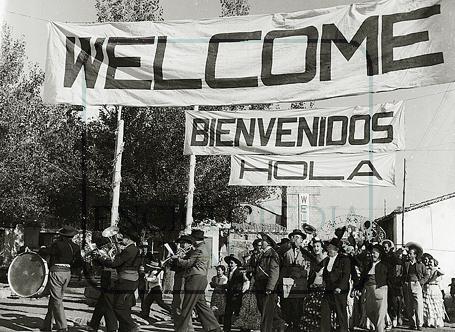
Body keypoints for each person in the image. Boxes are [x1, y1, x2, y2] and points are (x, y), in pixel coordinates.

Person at [89, 226, 142, 332]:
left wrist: (100, 258)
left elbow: (115, 263)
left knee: (117, 306)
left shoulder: (129, 250)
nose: (122, 240)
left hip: (125, 279)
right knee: (118, 304)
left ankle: (130, 325)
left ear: (128, 239)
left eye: (124, 238)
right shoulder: (132, 249)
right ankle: (124, 327)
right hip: (127, 279)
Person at [171, 229, 221, 332]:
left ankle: (181, 329)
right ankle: (214, 327)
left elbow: (188, 263)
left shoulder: (199, 249)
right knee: (202, 305)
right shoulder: (204, 247)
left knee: (187, 306)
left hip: (195, 280)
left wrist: (177, 259)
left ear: (194, 239)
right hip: (201, 279)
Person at [39, 225, 82, 332]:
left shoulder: (58, 244)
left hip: (56, 272)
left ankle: (62, 327)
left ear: (62, 235)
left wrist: (42, 249)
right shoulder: (76, 247)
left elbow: (46, 252)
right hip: (67, 273)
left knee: (56, 300)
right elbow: (78, 262)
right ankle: (46, 325)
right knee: (55, 299)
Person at [279, 229, 312, 330]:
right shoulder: (285, 250)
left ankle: (296, 325)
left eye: (299, 238)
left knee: (298, 307)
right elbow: (281, 264)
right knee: (287, 306)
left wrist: (300, 273)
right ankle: (289, 325)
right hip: (287, 282)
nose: (297, 240)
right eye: (295, 237)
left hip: (300, 283)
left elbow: (309, 268)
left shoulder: (305, 253)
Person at [319, 237, 351, 332]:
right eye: (328, 247)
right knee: (325, 312)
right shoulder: (327, 260)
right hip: (328, 290)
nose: (328, 249)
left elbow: (346, 275)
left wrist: (340, 287)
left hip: (340, 291)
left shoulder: (344, 259)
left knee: (340, 313)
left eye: (330, 248)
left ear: (336, 249)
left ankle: (343, 330)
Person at [357, 244, 388, 332]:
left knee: (380, 314)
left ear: (379, 254)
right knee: (369, 311)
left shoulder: (384, 265)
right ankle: (379, 328)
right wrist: (359, 288)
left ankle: (380, 330)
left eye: (374, 253)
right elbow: (363, 278)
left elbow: (390, 278)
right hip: (369, 290)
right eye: (371, 253)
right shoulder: (368, 265)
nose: (372, 255)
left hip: (380, 289)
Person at [254, 232, 281, 332]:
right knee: (263, 311)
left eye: (262, 241)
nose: (260, 243)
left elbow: (274, 272)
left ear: (268, 243)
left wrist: (270, 288)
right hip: (260, 286)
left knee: (267, 313)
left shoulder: (272, 254)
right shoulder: (264, 253)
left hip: (267, 287)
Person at [169, 234, 195, 332]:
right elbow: (173, 268)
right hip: (178, 278)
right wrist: (172, 260)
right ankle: (178, 326)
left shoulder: (192, 253)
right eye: (181, 243)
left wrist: (179, 259)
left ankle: (187, 328)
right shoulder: (178, 252)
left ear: (189, 244)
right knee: (176, 304)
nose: (182, 245)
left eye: (184, 243)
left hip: (185, 279)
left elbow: (189, 265)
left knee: (181, 304)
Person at [301, 237, 327, 332]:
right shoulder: (313, 259)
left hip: (323, 289)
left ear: (322, 247)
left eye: (318, 246)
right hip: (313, 289)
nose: (316, 248)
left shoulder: (326, 259)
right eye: (314, 246)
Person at [402, 244, 429, 331]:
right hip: (407, 285)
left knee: (418, 305)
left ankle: (419, 324)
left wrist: (421, 282)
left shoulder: (420, 265)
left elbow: (426, 275)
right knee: (409, 305)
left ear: (415, 255)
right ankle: (412, 324)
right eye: (408, 253)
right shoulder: (406, 264)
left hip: (416, 284)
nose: (408, 255)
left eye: (410, 253)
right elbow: (403, 274)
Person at [223, 254, 245, 332]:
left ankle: (243, 328)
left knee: (238, 313)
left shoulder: (239, 272)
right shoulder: (229, 272)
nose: (230, 264)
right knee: (227, 313)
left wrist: (233, 290)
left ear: (236, 263)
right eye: (229, 263)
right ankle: (226, 329)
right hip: (230, 295)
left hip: (236, 296)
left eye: (231, 263)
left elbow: (238, 285)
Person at [423, 257, 445, 328]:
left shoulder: (437, 270)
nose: (429, 263)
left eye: (431, 262)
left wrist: (435, 268)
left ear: (434, 263)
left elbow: (442, 273)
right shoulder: (427, 270)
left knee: (435, 306)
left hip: (434, 289)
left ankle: (435, 322)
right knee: (427, 305)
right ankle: (427, 322)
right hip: (427, 288)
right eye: (429, 262)